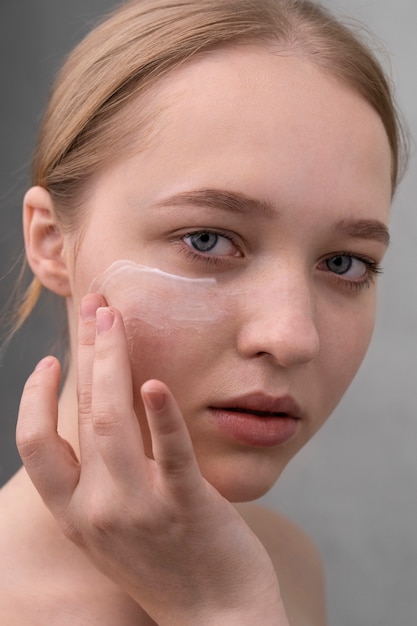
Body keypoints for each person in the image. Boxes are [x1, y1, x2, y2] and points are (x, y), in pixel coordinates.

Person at [0, 0, 407, 624]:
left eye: (346, 263)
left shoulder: (282, 567)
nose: (293, 337)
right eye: (208, 240)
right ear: (52, 241)